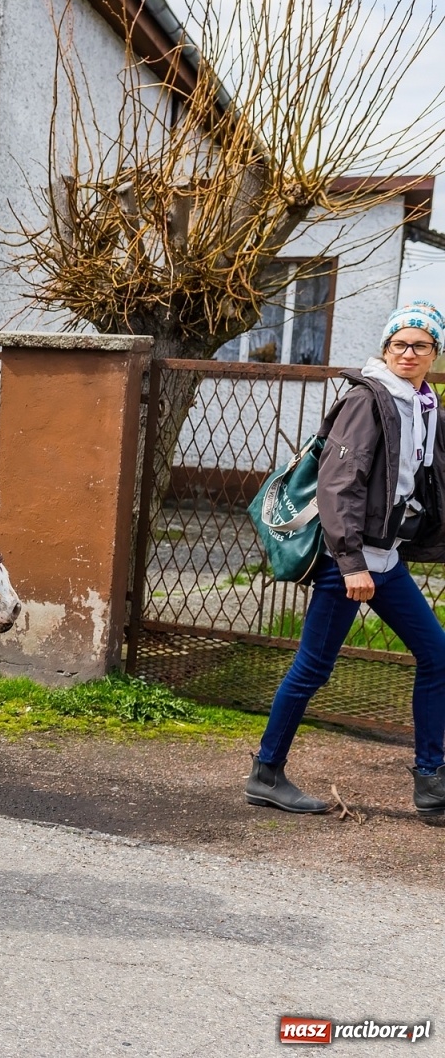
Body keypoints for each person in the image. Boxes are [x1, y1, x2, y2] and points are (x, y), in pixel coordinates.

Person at [247, 300, 445, 815]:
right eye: (399, 343)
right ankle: (267, 772)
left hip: (386, 559)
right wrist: (352, 561)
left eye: (420, 345)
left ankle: (431, 782)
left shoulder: (423, 404)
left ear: (434, 354)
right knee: (313, 668)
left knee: (437, 656)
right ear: (385, 348)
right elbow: (340, 484)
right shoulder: (371, 400)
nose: (408, 352)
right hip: (350, 562)